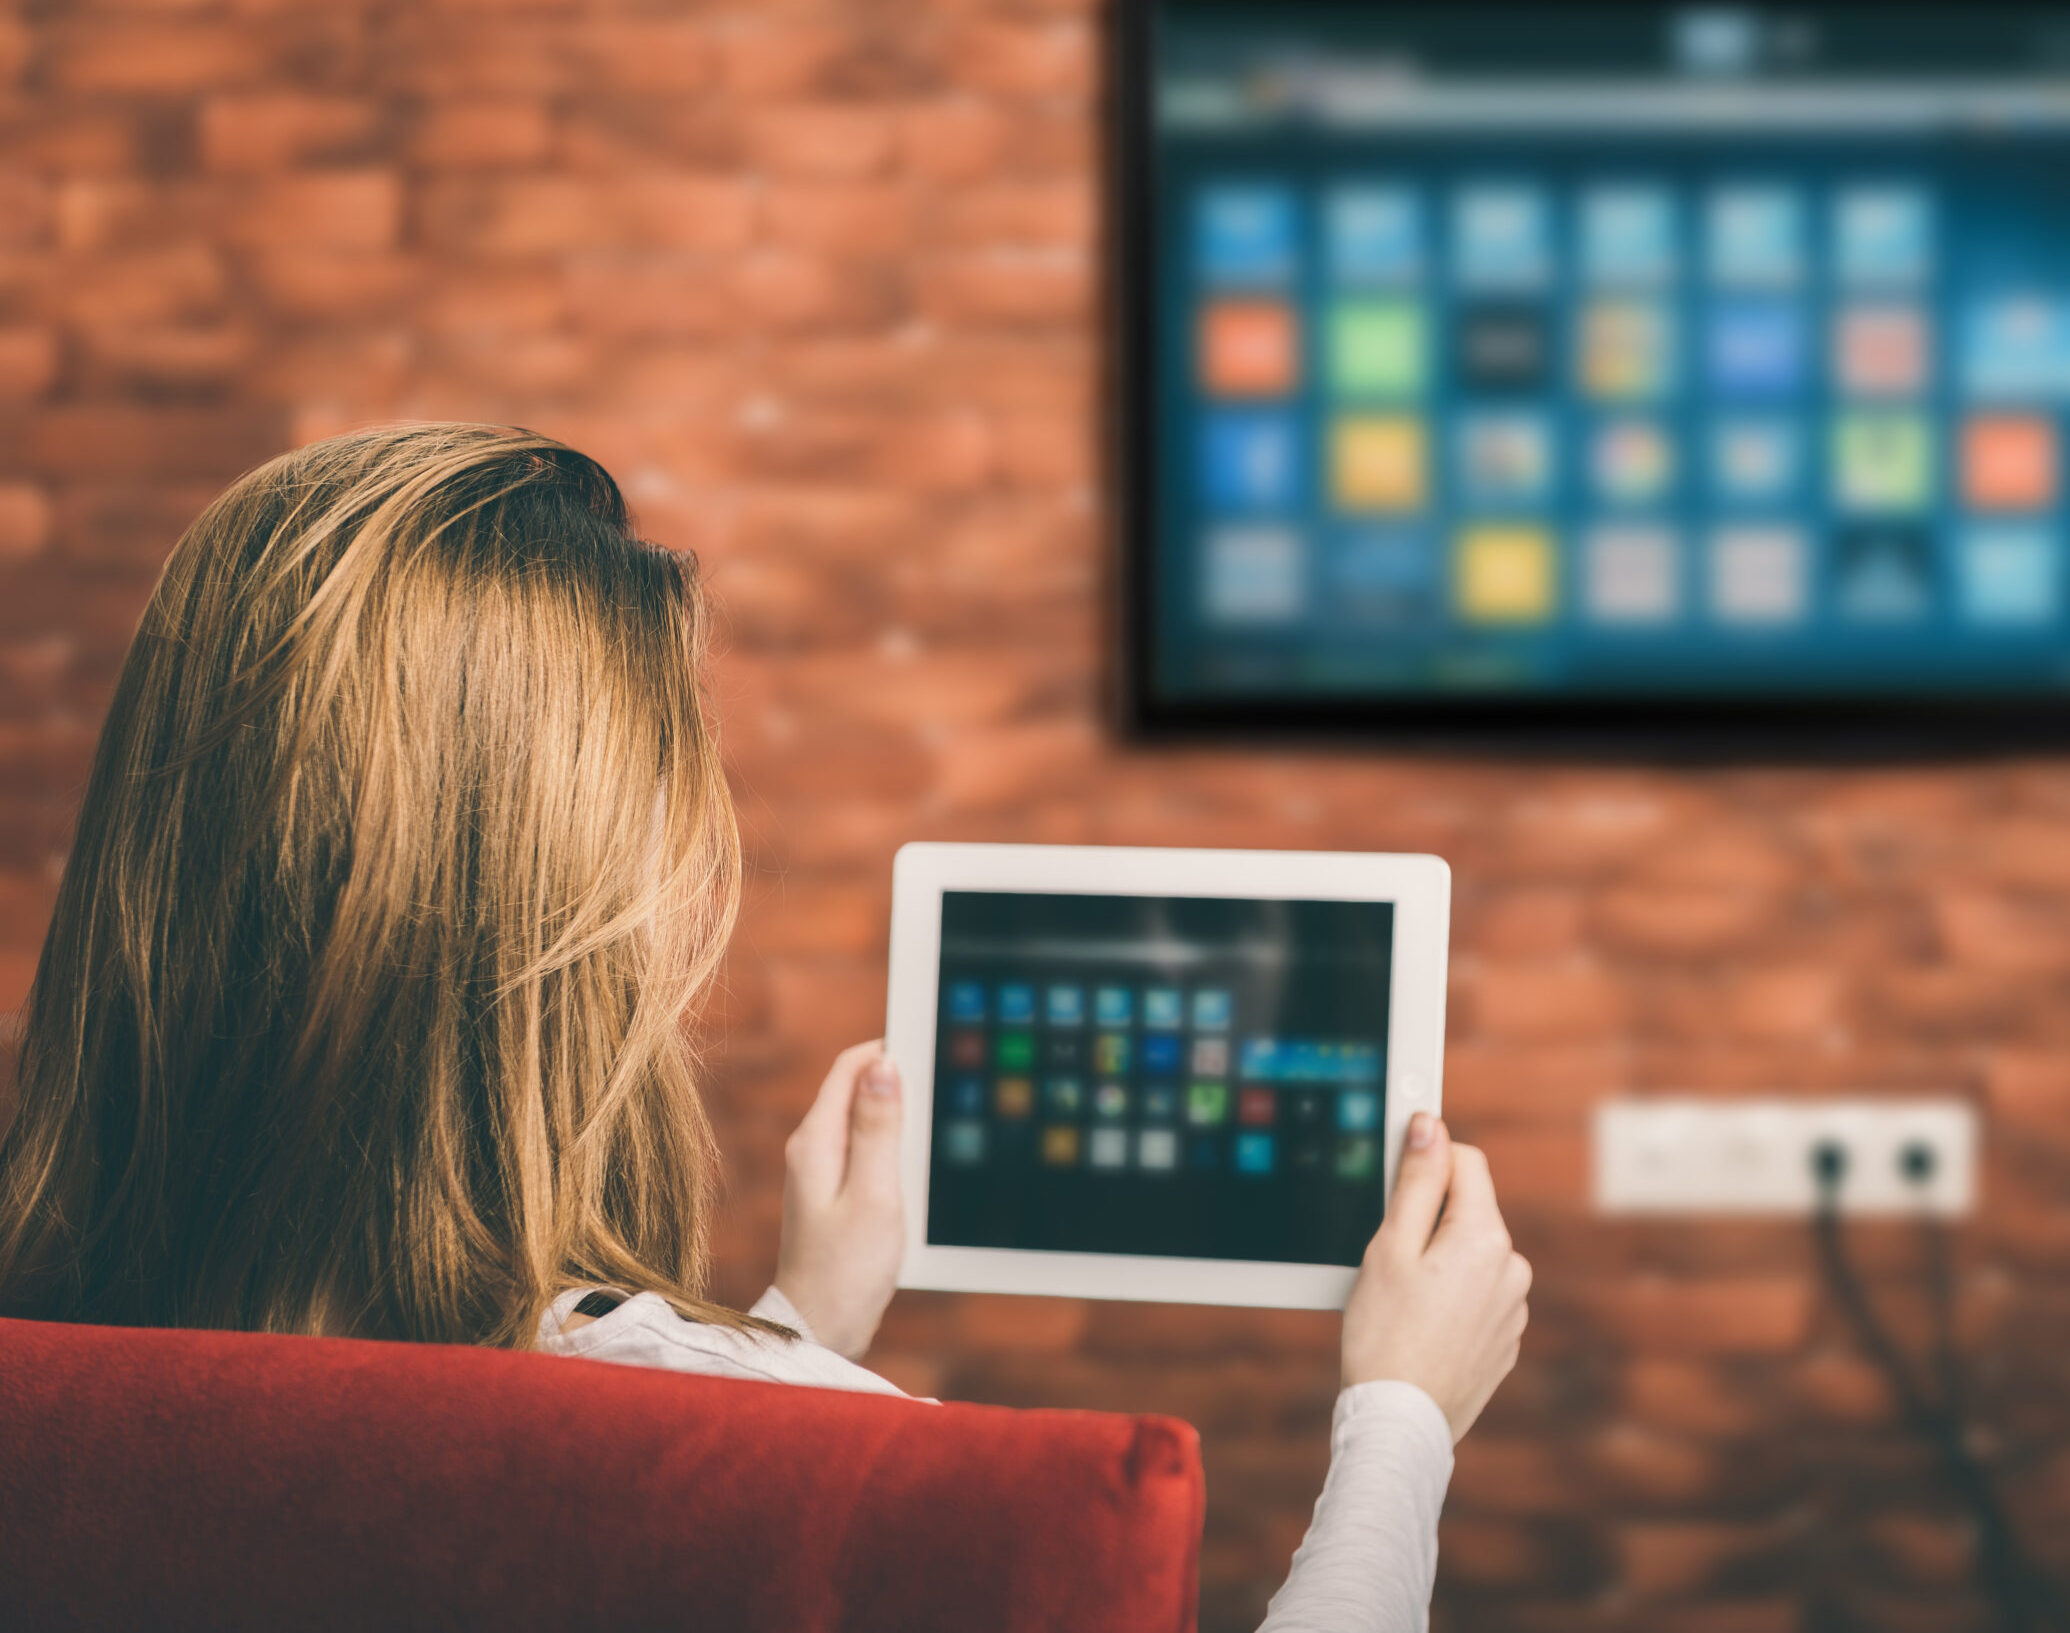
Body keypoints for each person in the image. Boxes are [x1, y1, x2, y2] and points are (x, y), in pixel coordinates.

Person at [0, 422, 1530, 1632]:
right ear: (589, 913)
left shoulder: (54, 1387)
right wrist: (1402, 1409)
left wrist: (800, 1322)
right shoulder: (793, 1447)